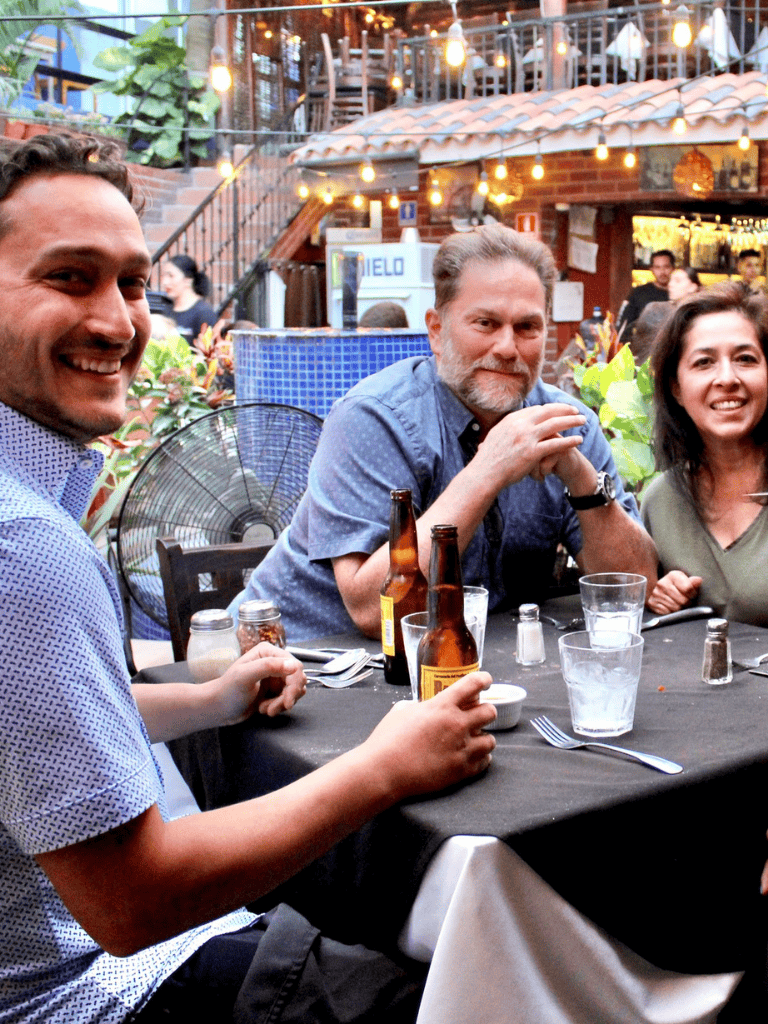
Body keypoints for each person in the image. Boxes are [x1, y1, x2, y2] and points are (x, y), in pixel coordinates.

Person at [0, 133, 497, 1023]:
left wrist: (212, 701)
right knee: (464, 991)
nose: (118, 322)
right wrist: (384, 767)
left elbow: (40, 736)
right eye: (69, 277)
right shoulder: (22, 544)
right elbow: (131, 904)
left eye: (132, 283)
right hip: (85, 987)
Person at [238, 224, 658, 641]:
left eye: (527, 327)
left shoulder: (566, 426)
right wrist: (488, 470)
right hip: (296, 665)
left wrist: (580, 477)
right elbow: (375, 610)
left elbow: (636, 591)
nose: (508, 348)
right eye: (486, 323)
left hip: (458, 670)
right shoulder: (374, 419)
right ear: (437, 330)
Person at [641, 281, 768, 625]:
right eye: (704, 362)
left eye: (745, 359)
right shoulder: (660, 502)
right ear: (676, 388)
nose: (727, 378)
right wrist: (661, 594)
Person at [629, 266, 701, 364]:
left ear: (693, 287)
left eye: (677, 281)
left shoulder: (702, 315)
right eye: (670, 280)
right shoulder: (656, 309)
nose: (670, 284)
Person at [616, 249, 675, 340]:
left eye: (666, 267)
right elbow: (624, 326)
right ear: (651, 269)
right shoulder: (639, 292)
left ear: (673, 268)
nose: (662, 272)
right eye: (657, 267)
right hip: (644, 347)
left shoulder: (679, 293)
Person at [160, 253, 217, 346]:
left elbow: (208, 353)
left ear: (188, 280)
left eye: (171, 276)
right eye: (163, 276)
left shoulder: (204, 313)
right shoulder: (166, 310)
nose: (165, 282)